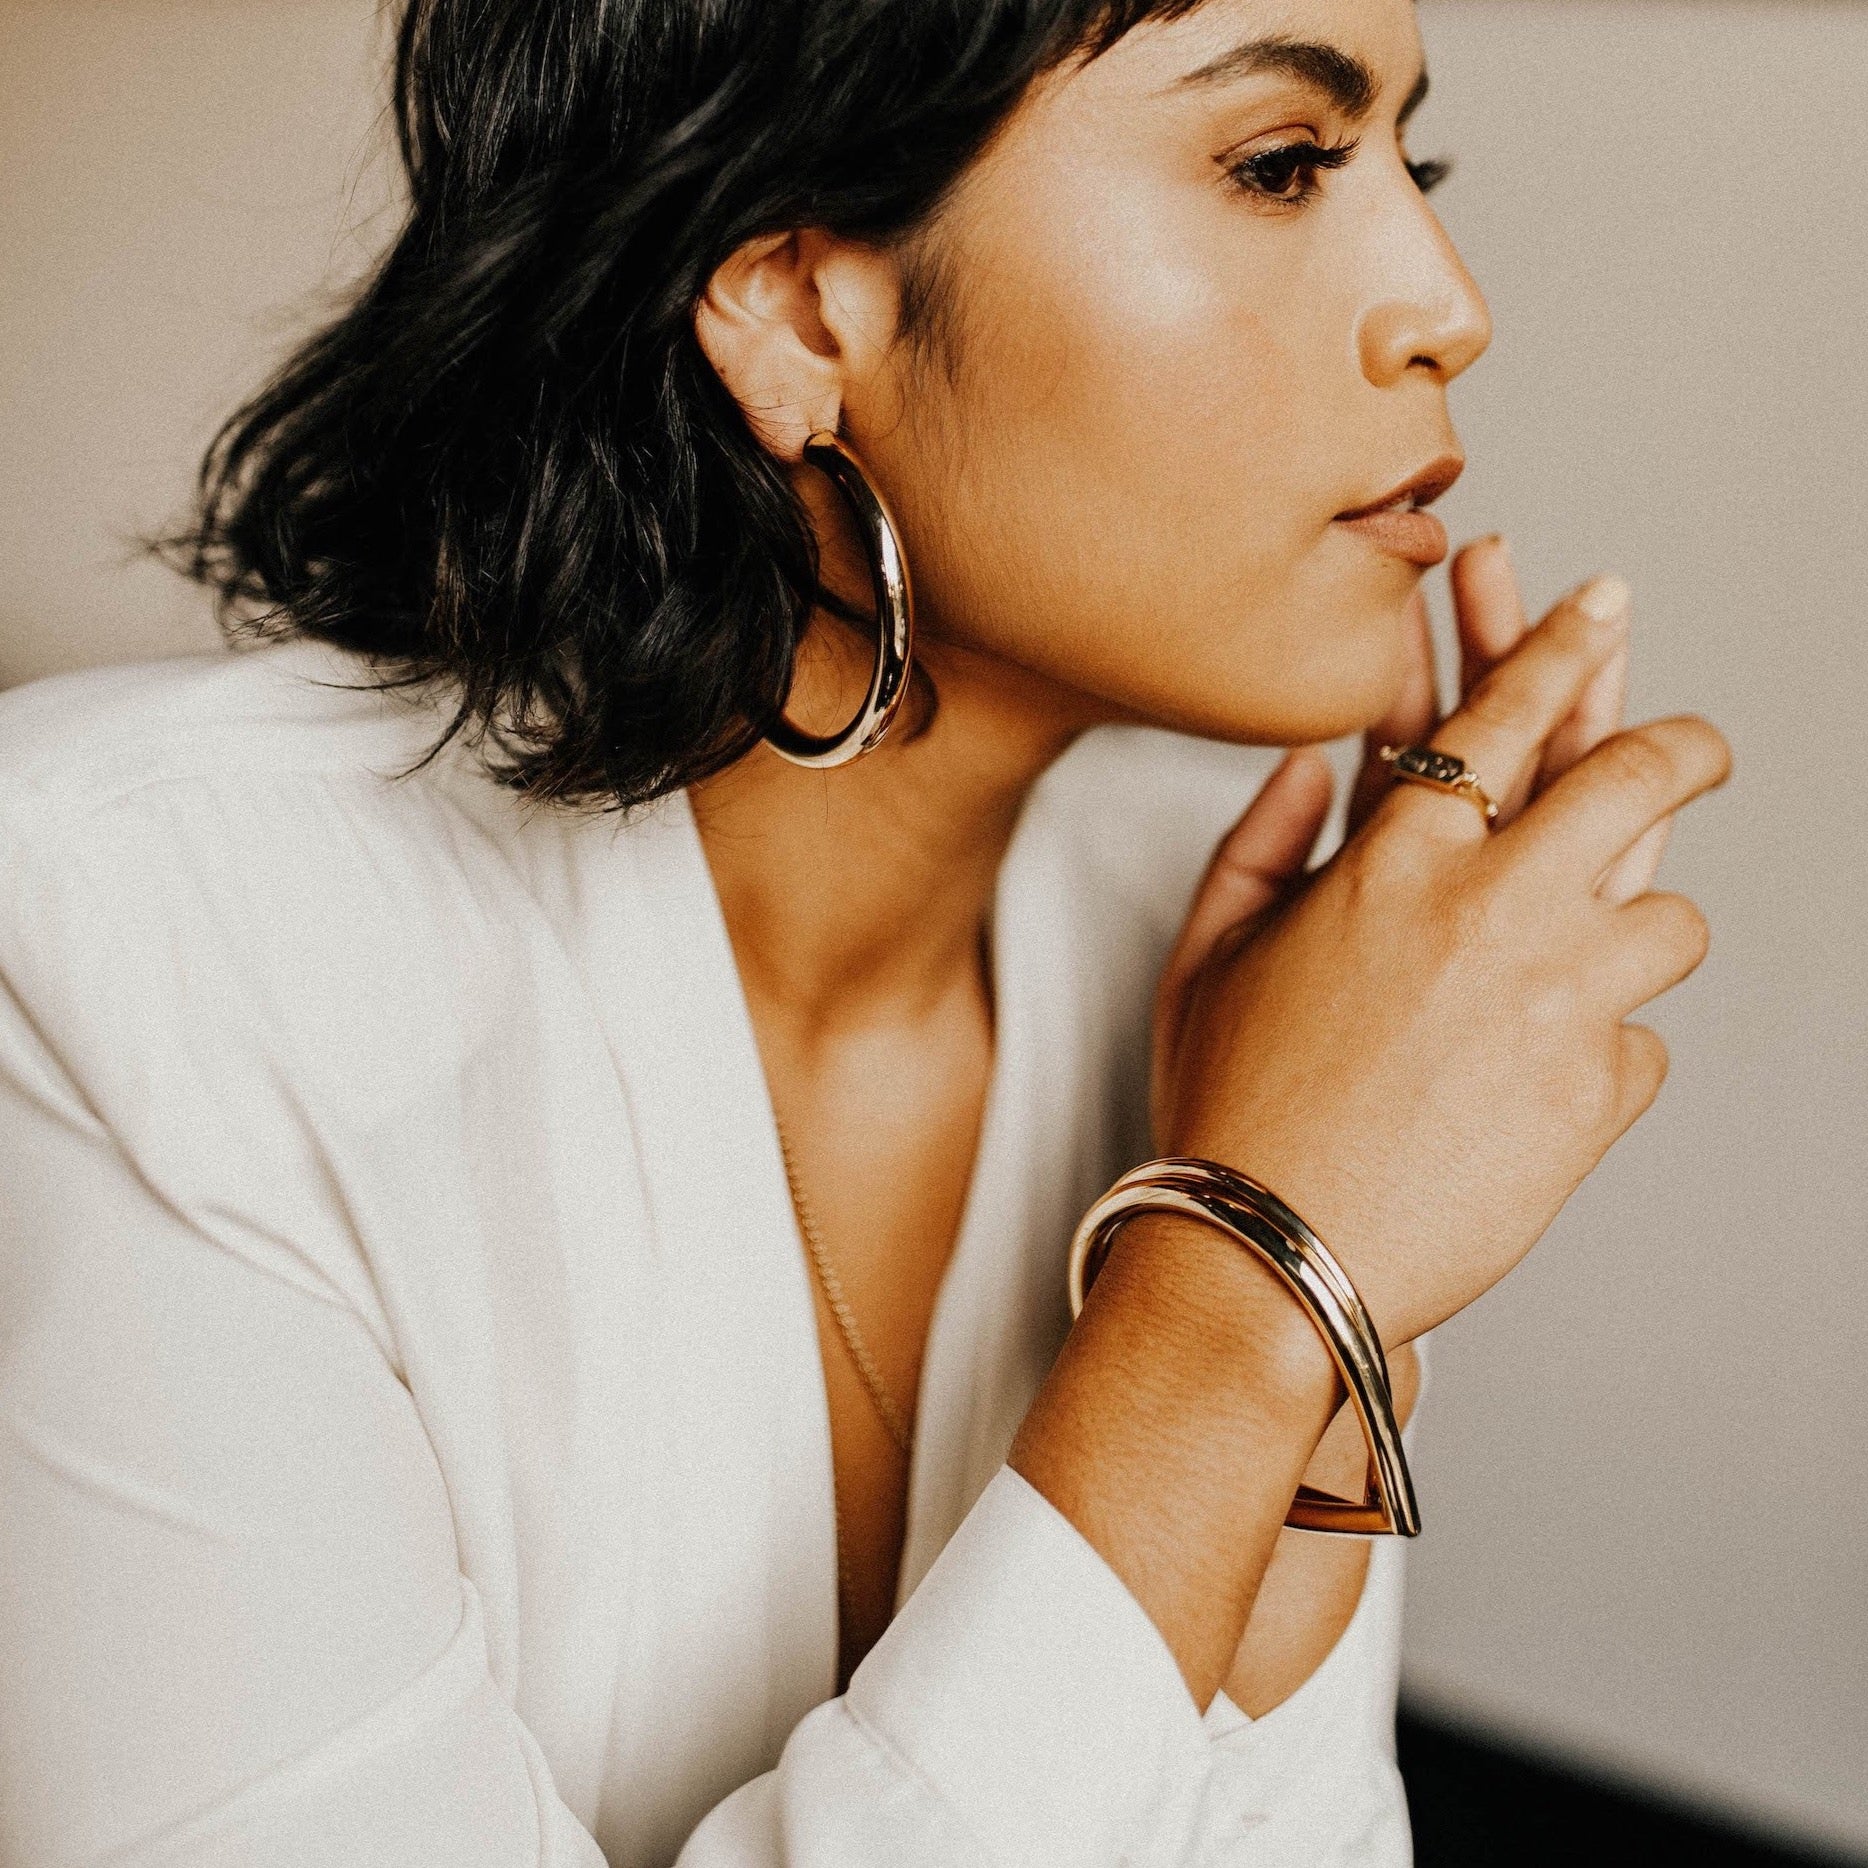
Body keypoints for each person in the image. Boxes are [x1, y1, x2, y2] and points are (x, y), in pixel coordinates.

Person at [0, 0, 1729, 1862]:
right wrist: (1243, 1291)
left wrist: (1306, 1307)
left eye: (1411, 158)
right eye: (1281, 165)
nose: (1448, 302)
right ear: (804, 309)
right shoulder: (128, 939)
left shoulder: (1240, 968)